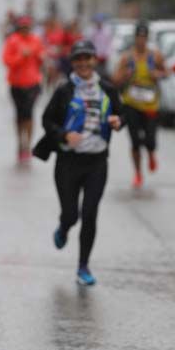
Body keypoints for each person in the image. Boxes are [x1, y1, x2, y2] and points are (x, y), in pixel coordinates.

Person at [33, 40, 124, 286]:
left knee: (90, 214)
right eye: (78, 59)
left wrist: (118, 122)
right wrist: (64, 135)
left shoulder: (107, 89)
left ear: (94, 60)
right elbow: (46, 120)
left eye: (87, 58)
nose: (83, 63)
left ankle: (83, 266)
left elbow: (120, 114)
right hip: (68, 162)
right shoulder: (64, 90)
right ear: (73, 63)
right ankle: (64, 227)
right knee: (72, 214)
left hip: (97, 162)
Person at [113, 22, 166, 189]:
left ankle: (151, 153)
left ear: (147, 38)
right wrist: (126, 75)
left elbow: (166, 72)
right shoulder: (127, 58)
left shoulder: (155, 56)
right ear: (135, 38)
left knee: (150, 139)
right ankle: (138, 173)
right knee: (135, 141)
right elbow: (115, 80)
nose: (141, 40)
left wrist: (157, 74)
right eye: (139, 37)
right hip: (132, 104)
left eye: (144, 37)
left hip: (150, 104)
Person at [2, 15, 45, 162]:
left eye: (27, 27)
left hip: (33, 84)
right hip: (16, 84)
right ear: (19, 28)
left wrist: (41, 56)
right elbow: (7, 61)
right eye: (23, 27)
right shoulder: (12, 41)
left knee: (29, 114)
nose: (25, 30)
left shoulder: (36, 40)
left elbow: (41, 59)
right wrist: (21, 56)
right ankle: (20, 142)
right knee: (19, 116)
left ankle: (28, 144)